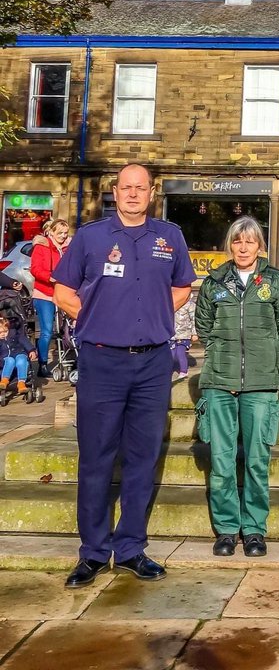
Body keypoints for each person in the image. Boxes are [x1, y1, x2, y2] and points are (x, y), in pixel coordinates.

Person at [53, 163, 196, 588]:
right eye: (125, 187)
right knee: (96, 457)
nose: (133, 194)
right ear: (115, 192)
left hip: (153, 364)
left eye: (141, 188)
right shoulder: (90, 237)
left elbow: (183, 287)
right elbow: (62, 292)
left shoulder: (169, 237)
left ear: (151, 193)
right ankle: (93, 551)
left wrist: (147, 319)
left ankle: (131, 547)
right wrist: (100, 319)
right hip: (102, 362)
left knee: (142, 456)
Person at [195, 217, 279, 558]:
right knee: (222, 462)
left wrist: (264, 355)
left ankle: (253, 529)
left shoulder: (277, 282)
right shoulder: (214, 282)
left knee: (256, 460)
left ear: (259, 245)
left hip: (261, 383)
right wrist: (224, 356)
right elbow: (203, 327)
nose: (243, 248)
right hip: (219, 382)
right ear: (230, 245)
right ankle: (226, 529)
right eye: (237, 241)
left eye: (249, 242)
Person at [30, 217, 70, 377]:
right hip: (44, 293)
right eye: (60, 233)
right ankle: (43, 364)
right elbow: (35, 269)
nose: (63, 236)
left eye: (66, 233)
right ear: (52, 232)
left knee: (68, 329)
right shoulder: (42, 246)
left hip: (63, 293)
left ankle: (70, 360)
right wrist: (50, 277)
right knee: (47, 330)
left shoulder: (68, 248)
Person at [0, 312, 37, 399]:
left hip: (19, 353)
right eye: (0, 332)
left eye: (5, 331)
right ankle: (4, 380)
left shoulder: (15, 334)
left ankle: (21, 383)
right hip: (5, 360)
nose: (3, 334)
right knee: (10, 360)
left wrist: (31, 350)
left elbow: (24, 341)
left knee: (22, 359)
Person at [171, 289, 196, 380]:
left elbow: (194, 319)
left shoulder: (190, 305)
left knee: (180, 353)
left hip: (184, 334)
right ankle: (169, 370)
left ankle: (183, 371)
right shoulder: (170, 303)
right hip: (172, 334)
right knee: (171, 354)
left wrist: (194, 333)